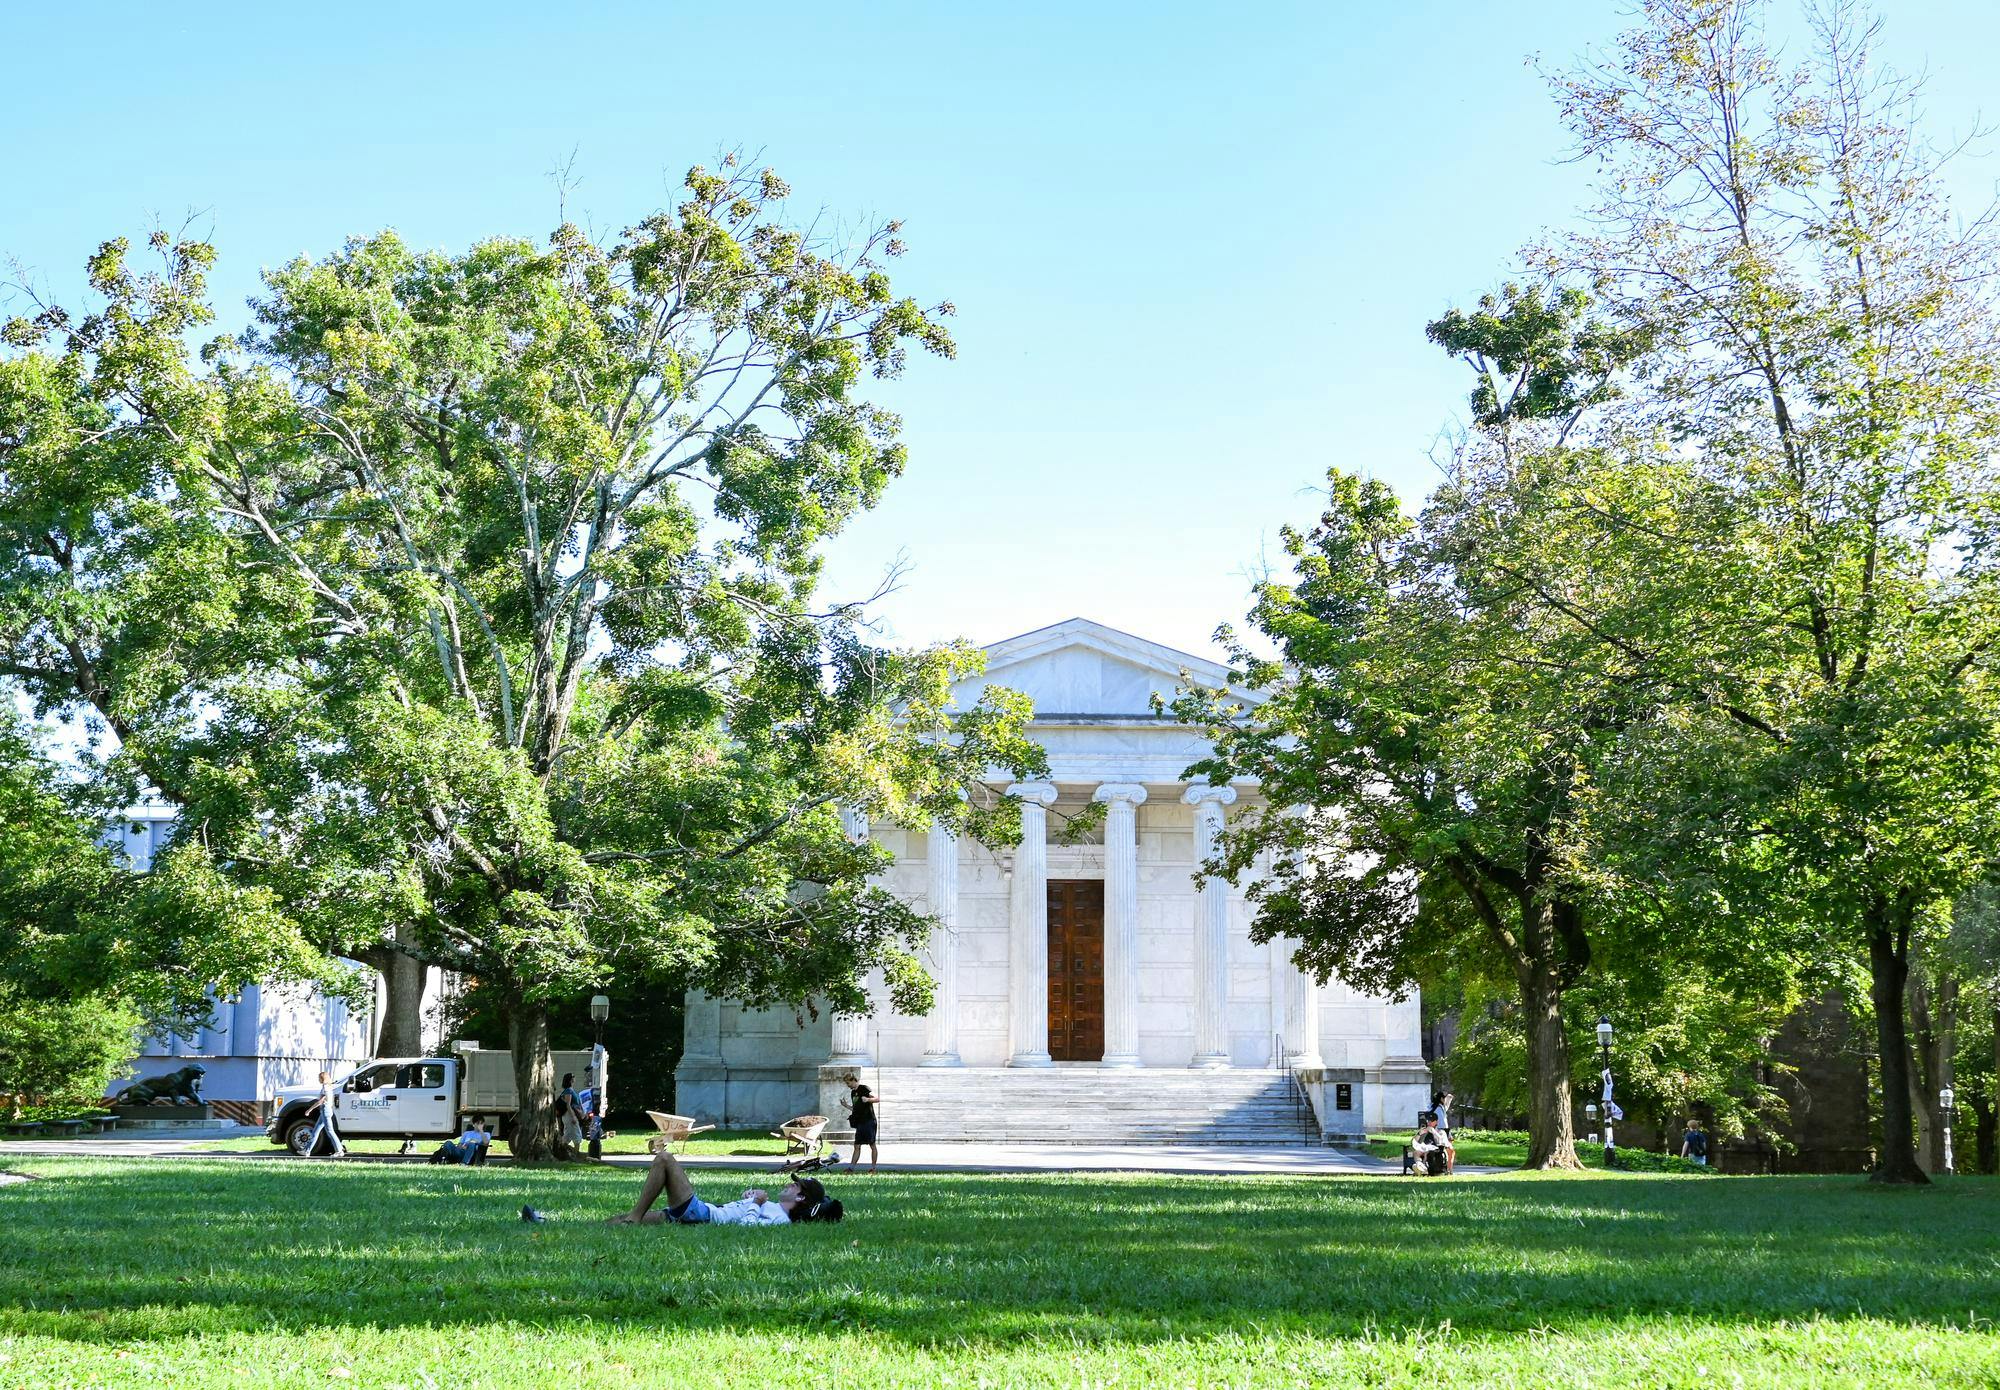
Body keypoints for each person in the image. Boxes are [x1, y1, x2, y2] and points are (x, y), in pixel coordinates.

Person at [609, 1148, 843, 1226]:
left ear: (801, 1198)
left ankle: (635, 1218)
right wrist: (748, 1199)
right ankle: (630, 1219)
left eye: (795, 1186)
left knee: (664, 1159)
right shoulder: (773, 1206)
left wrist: (755, 1203)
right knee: (616, 1220)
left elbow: (746, 1229)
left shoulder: (781, 1219)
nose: (788, 1184)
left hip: (701, 1215)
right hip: (701, 1214)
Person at [305, 1069, 345, 1158]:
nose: (318, 1079)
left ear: (322, 1078)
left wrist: (310, 1109)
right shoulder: (328, 1087)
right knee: (316, 1131)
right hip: (326, 1110)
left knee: (330, 1131)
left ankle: (339, 1150)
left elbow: (321, 1101)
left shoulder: (325, 1088)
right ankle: (307, 1151)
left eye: (319, 1078)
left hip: (325, 1110)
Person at [847, 1083, 880, 1170]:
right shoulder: (853, 1093)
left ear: (853, 1080)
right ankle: (851, 1168)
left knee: (872, 1145)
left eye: (848, 1082)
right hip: (860, 1122)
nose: (847, 1085)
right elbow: (856, 1108)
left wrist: (868, 1099)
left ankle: (873, 1168)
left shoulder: (863, 1089)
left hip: (869, 1121)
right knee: (857, 1145)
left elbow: (877, 1099)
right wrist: (846, 1105)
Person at [1431, 1090, 1457, 1175]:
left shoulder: (1438, 1107)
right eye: (1444, 1098)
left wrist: (1449, 1098)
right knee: (1450, 1150)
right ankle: (1448, 1170)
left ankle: (1449, 1170)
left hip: (1444, 1131)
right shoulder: (1436, 1108)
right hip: (1441, 1131)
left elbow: (1446, 1106)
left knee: (1451, 1151)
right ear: (1442, 1099)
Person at [556, 1073, 582, 1152]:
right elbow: (568, 1105)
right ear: (570, 1080)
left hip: (569, 1115)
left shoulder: (570, 1090)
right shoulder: (568, 1091)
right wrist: (573, 1117)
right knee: (576, 1135)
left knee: (567, 1136)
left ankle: (560, 1152)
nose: (574, 1078)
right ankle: (576, 1154)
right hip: (569, 1115)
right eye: (573, 1077)